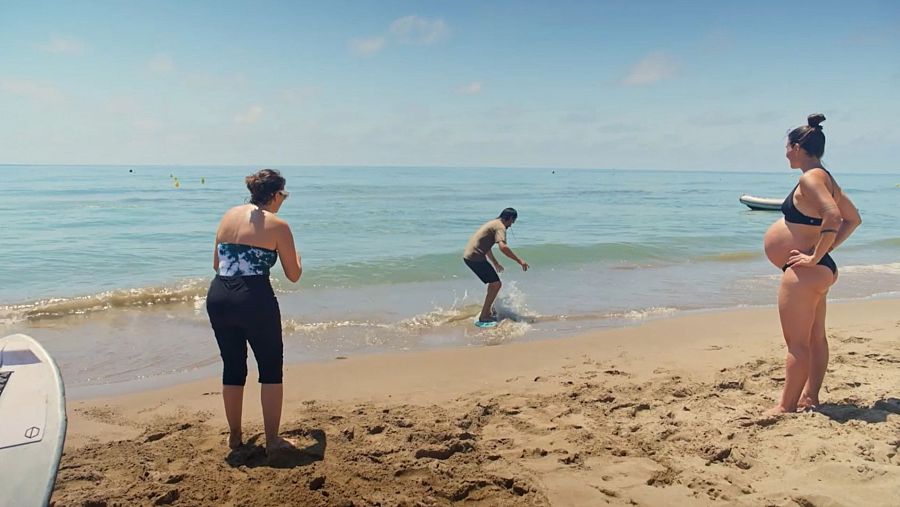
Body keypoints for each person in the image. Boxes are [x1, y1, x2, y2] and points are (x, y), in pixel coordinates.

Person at [762, 114, 861, 415]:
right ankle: (810, 397)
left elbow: (834, 216)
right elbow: (853, 219)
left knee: (797, 343)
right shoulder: (825, 177)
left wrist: (814, 256)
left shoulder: (810, 178)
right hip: (817, 271)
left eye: (787, 147)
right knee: (815, 338)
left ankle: (786, 406)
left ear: (797, 147)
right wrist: (822, 253)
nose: (785, 153)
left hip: (805, 272)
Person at [205, 169, 302, 453]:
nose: (283, 199)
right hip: (254, 298)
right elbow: (293, 274)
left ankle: (234, 437)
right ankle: (272, 440)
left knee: (233, 367)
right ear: (275, 194)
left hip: (219, 295)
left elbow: (216, 264)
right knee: (270, 368)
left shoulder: (228, 215)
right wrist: (298, 258)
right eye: (283, 195)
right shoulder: (278, 225)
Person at [463, 208, 529, 324]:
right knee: (496, 284)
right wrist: (519, 260)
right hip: (475, 257)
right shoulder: (500, 227)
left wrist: (495, 263)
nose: (511, 225)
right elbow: (503, 247)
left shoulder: (493, 223)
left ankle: (487, 310)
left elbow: (486, 246)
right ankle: (484, 315)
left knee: (493, 283)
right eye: (512, 221)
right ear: (509, 218)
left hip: (470, 256)